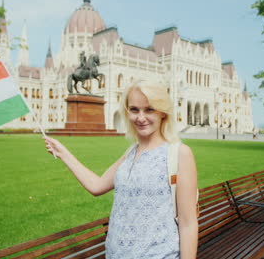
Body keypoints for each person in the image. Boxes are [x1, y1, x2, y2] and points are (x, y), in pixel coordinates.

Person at [44, 80, 199, 258]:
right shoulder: (130, 153)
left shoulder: (180, 154)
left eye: (149, 109)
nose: (140, 118)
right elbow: (97, 185)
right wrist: (64, 153)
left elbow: (188, 223)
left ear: (162, 112)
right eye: (134, 110)